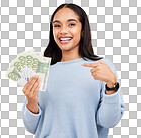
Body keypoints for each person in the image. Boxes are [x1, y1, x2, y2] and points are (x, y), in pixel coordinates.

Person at [22, 3, 125, 138]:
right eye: (57, 25)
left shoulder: (102, 67)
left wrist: (112, 86)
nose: (63, 31)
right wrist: (31, 101)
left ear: (83, 30)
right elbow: (32, 128)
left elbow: (109, 122)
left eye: (71, 24)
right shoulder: (41, 69)